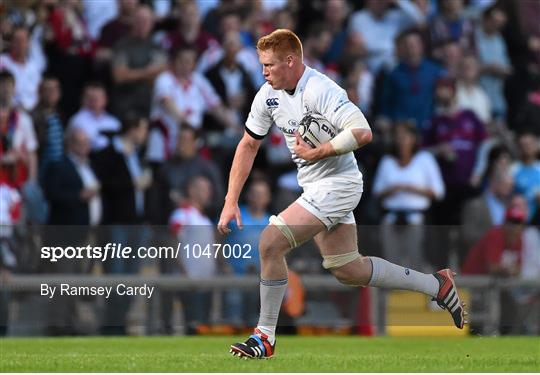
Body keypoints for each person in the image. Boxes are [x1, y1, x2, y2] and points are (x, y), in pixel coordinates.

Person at [218, 29, 466, 359]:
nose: (263, 72)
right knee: (348, 269)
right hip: (315, 186)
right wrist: (230, 199)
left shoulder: (321, 89)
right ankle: (437, 286)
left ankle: (264, 336)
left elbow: (363, 131)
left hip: (340, 185)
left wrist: (320, 151)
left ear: (291, 61)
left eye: (269, 65)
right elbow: (248, 144)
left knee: (269, 243)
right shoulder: (267, 95)